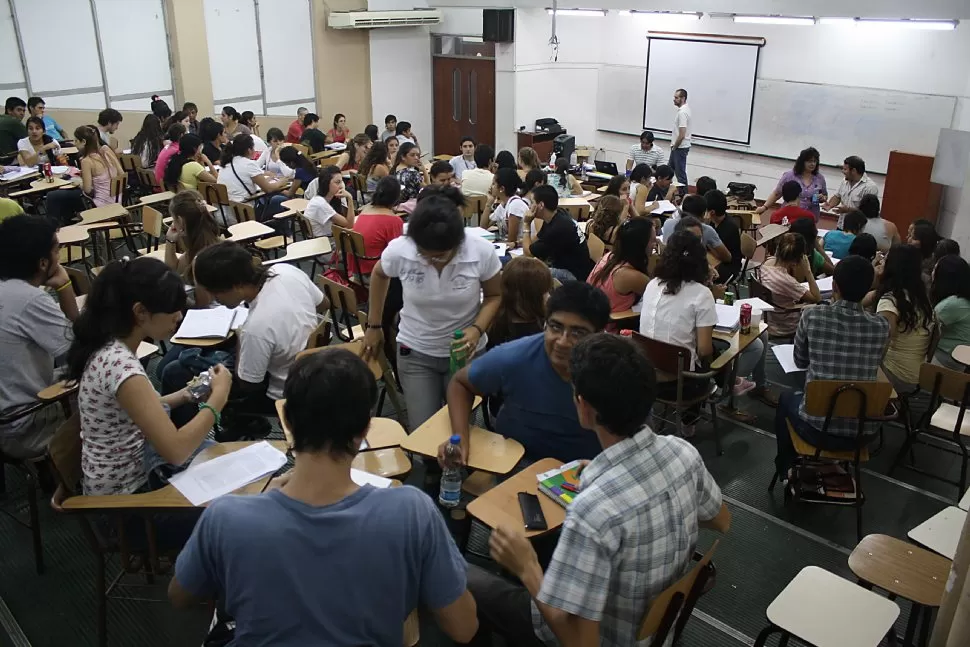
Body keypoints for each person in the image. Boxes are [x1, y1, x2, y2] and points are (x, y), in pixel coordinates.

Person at [169, 348, 478, 645]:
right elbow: (464, 628)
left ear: (287, 421)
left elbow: (180, 596)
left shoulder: (226, 517)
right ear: (366, 428)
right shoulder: (413, 512)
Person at [465, 333, 728, 647]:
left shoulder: (593, 512)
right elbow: (722, 520)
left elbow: (580, 643)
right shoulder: (682, 453)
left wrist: (528, 568)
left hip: (601, 638)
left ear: (583, 406)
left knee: (462, 576)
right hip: (658, 634)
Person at [66, 257, 230, 497]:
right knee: (233, 497)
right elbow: (176, 450)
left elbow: (144, 407)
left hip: (138, 467)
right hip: (131, 498)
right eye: (172, 309)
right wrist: (218, 399)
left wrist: (187, 394)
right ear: (140, 311)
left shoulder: (110, 345)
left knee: (228, 464)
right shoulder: (121, 367)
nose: (179, 317)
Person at [360, 193, 502, 430]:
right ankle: (431, 467)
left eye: (440, 256)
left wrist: (477, 329)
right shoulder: (402, 249)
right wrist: (374, 326)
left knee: (461, 428)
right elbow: (379, 273)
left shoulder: (480, 251)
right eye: (425, 254)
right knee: (423, 431)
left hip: (464, 354)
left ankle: (457, 467)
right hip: (416, 351)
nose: (431, 261)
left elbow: (494, 296)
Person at [444, 282, 610, 466]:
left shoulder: (616, 370)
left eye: (578, 332)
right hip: (517, 464)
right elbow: (460, 383)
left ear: (599, 335)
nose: (562, 341)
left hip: (587, 471)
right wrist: (460, 438)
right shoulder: (514, 357)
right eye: (555, 327)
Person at [774, 256, 889, 479]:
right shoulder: (881, 326)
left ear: (834, 286)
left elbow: (800, 361)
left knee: (787, 399)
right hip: (862, 433)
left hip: (817, 430)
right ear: (870, 288)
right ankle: (828, 464)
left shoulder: (812, 315)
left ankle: (787, 467)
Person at [190, 241, 324, 411]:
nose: (216, 300)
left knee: (185, 366)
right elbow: (323, 303)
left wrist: (240, 336)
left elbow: (248, 383)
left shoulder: (254, 328)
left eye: (216, 293)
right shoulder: (285, 270)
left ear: (237, 286)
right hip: (313, 369)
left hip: (281, 394)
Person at [0, 215, 78, 459]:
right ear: (43, 263)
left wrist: (63, 288)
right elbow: (79, 355)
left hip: (8, 410)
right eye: (57, 250)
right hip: (24, 422)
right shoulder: (30, 300)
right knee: (117, 391)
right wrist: (65, 286)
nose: (60, 255)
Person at [639, 230, 717, 428]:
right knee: (721, 352)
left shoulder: (652, 284)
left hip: (647, 374)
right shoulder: (702, 294)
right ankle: (689, 422)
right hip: (682, 383)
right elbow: (704, 350)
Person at [873, 244, 935, 395]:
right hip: (918, 374)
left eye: (885, 259)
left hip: (896, 375)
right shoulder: (922, 299)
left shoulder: (890, 301)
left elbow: (880, 344)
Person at [587, 218, 654, 327]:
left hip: (592, 318)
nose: (655, 244)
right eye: (653, 240)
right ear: (641, 245)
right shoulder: (630, 276)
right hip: (609, 329)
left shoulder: (610, 256)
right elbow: (657, 294)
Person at [522, 185, 594, 282]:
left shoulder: (558, 228)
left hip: (573, 276)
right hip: (571, 266)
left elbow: (529, 254)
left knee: (527, 274)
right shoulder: (558, 213)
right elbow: (539, 238)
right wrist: (516, 243)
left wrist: (526, 224)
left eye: (532, 202)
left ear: (541, 205)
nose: (529, 206)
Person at [163, 190, 220, 308]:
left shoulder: (200, 258)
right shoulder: (205, 241)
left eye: (173, 219)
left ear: (180, 221)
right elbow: (174, 270)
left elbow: (203, 306)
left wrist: (186, 303)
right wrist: (170, 241)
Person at [759, 233, 821, 339]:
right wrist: (808, 271)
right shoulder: (787, 281)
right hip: (784, 325)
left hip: (767, 317)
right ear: (798, 259)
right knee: (821, 306)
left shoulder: (766, 263)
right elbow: (816, 297)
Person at [217, 134, 289, 224]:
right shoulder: (249, 164)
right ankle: (283, 234)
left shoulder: (226, 164)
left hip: (224, 214)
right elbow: (268, 189)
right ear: (249, 150)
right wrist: (282, 181)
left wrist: (266, 179)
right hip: (244, 213)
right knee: (279, 200)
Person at [487, 257, 552, 350]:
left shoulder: (493, 322)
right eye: (545, 292)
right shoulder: (541, 335)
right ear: (533, 297)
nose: (549, 296)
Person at [756, 147, 828, 220]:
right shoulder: (789, 175)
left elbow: (824, 195)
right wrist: (764, 207)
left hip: (810, 217)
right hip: (790, 216)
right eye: (809, 161)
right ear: (802, 161)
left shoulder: (820, 178)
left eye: (814, 161)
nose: (812, 164)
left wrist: (823, 198)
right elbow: (777, 193)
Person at [661, 194, 731, 266]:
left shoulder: (668, 223)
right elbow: (727, 257)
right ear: (704, 214)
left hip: (669, 267)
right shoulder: (706, 229)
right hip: (692, 271)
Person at [930, 255, 970, 369]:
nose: (932, 273)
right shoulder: (963, 299)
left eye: (935, 269)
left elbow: (927, 329)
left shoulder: (951, 304)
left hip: (946, 358)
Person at [824, 155, 879, 228]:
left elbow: (868, 211)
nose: (843, 172)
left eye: (845, 169)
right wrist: (830, 205)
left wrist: (848, 210)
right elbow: (838, 196)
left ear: (853, 171)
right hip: (842, 225)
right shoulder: (845, 181)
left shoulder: (870, 187)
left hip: (858, 229)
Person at [75, 125, 123, 207]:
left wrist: (79, 183)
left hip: (101, 204)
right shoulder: (106, 151)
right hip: (118, 201)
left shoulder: (86, 161)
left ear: (83, 142)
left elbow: (87, 190)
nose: (74, 143)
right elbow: (121, 173)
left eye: (76, 140)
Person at [304, 165, 356, 238]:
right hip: (324, 242)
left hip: (324, 238)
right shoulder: (321, 204)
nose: (341, 186)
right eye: (337, 182)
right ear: (326, 183)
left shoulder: (320, 199)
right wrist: (350, 198)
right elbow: (349, 225)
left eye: (341, 182)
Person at [706, 189, 742, 283]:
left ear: (712, 212)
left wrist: (708, 242)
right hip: (716, 259)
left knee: (702, 274)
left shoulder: (729, 227)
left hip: (728, 266)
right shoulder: (712, 222)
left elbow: (724, 257)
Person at [484, 168, 526, 245]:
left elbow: (511, 240)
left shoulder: (515, 205)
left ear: (502, 189)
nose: (491, 187)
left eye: (493, 184)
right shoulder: (504, 204)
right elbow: (483, 227)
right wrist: (488, 203)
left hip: (520, 248)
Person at [669, 88, 691, 192]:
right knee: (668, 172)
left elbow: (682, 134)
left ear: (683, 98)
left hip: (680, 148)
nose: (674, 99)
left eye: (676, 97)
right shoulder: (684, 110)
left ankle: (684, 196)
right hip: (678, 147)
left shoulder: (682, 113)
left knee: (680, 175)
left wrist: (675, 147)